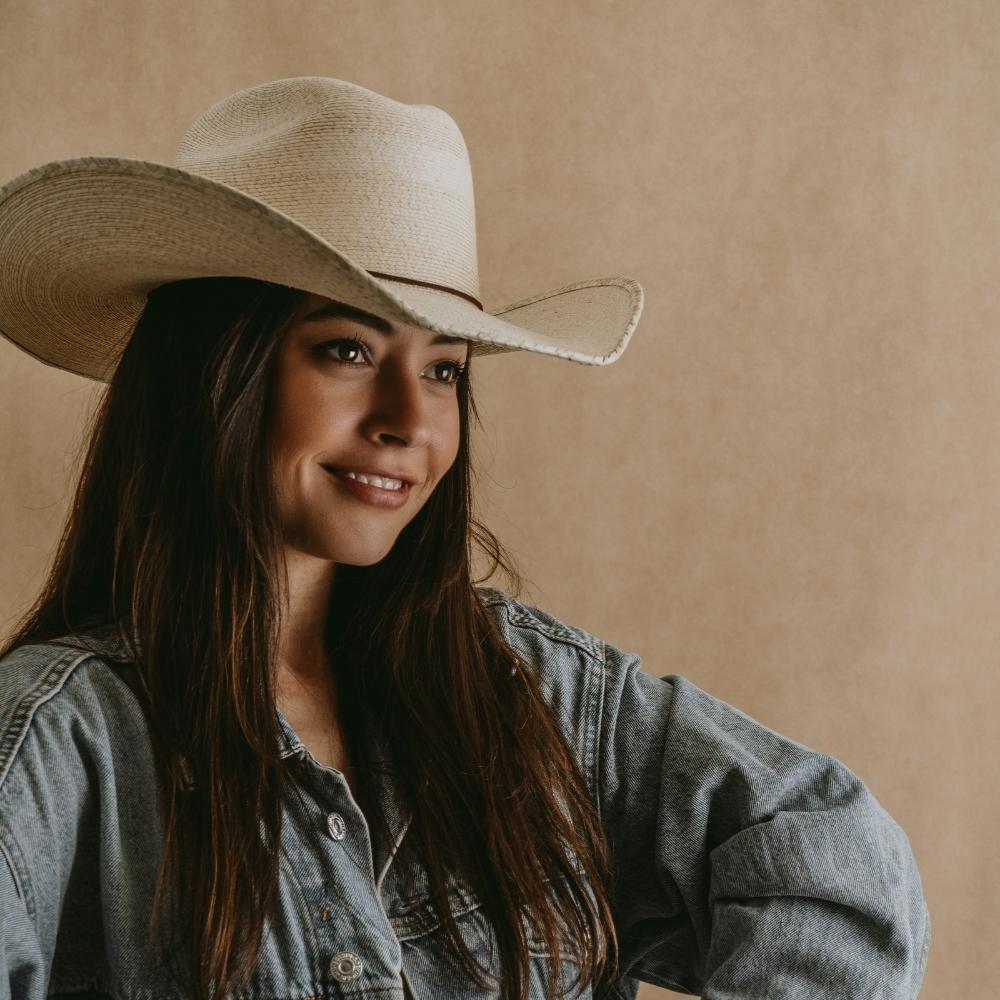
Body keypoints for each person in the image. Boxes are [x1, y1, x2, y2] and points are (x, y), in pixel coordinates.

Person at [0, 77, 929, 1000]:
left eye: (444, 369)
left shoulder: (536, 696)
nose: (410, 418)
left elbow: (837, 860)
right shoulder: (57, 742)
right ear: (214, 370)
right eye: (348, 351)